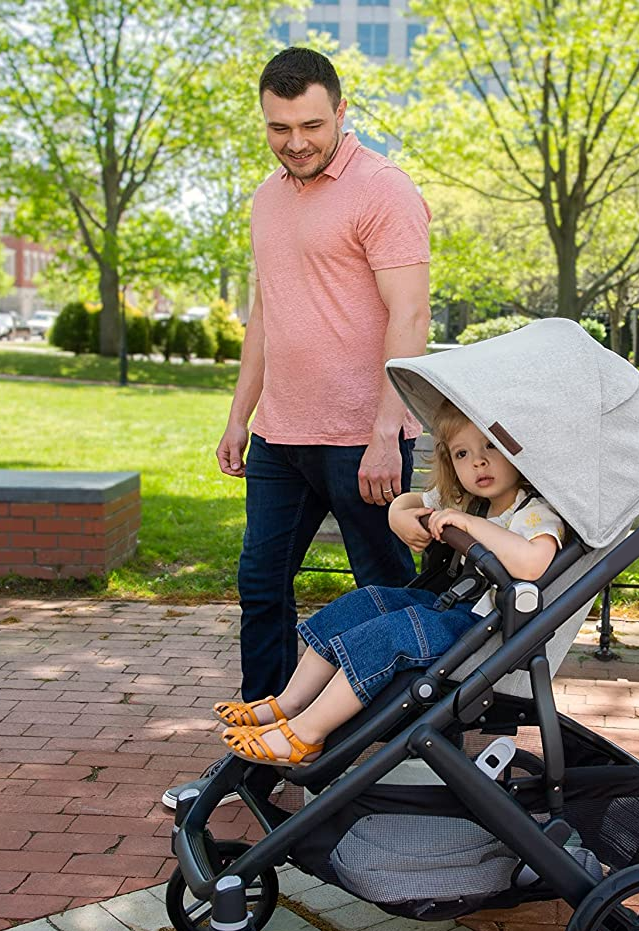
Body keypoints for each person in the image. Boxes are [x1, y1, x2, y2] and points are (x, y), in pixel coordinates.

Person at [221, 46, 433, 706]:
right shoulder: (266, 199)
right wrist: (238, 416)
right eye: (279, 127)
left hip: (361, 439)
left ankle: (406, 737)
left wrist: (385, 432)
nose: (296, 142)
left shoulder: (383, 189)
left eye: (311, 125)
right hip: (280, 437)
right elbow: (266, 314)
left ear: (341, 112)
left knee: (387, 592)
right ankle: (264, 730)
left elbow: (410, 314)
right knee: (261, 586)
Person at [215, 402, 565, 765]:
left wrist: (470, 526)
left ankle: (307, 735)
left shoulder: (534, 511)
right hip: (450, 606)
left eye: (490, 446)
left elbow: (532, 563)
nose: (478, 462)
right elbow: (411, 501)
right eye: (462, 453)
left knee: (388, 635)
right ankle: (290, 703)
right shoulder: (468, 500)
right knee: (363, 603)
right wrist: (399, 516)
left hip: (484, 629)